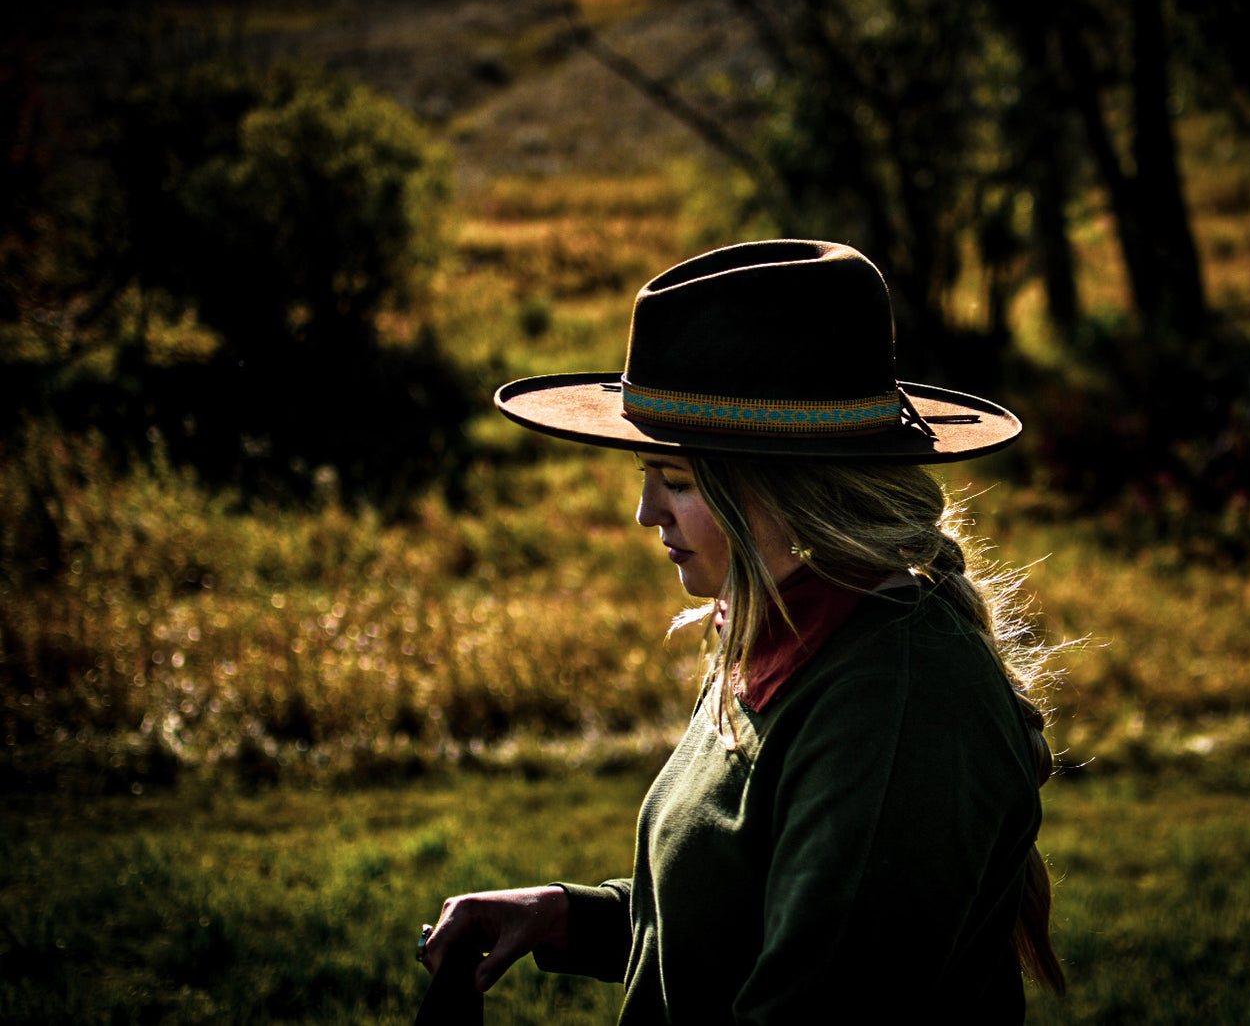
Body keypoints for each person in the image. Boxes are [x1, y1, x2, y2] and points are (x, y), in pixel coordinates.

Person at [418, 239, 1066, 1023]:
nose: (646, 513)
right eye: (648, 477)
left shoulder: (890, 711)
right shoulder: (788, 632)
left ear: (792, 491)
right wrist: (567, 916)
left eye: (677, 481)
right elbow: (738, 915)